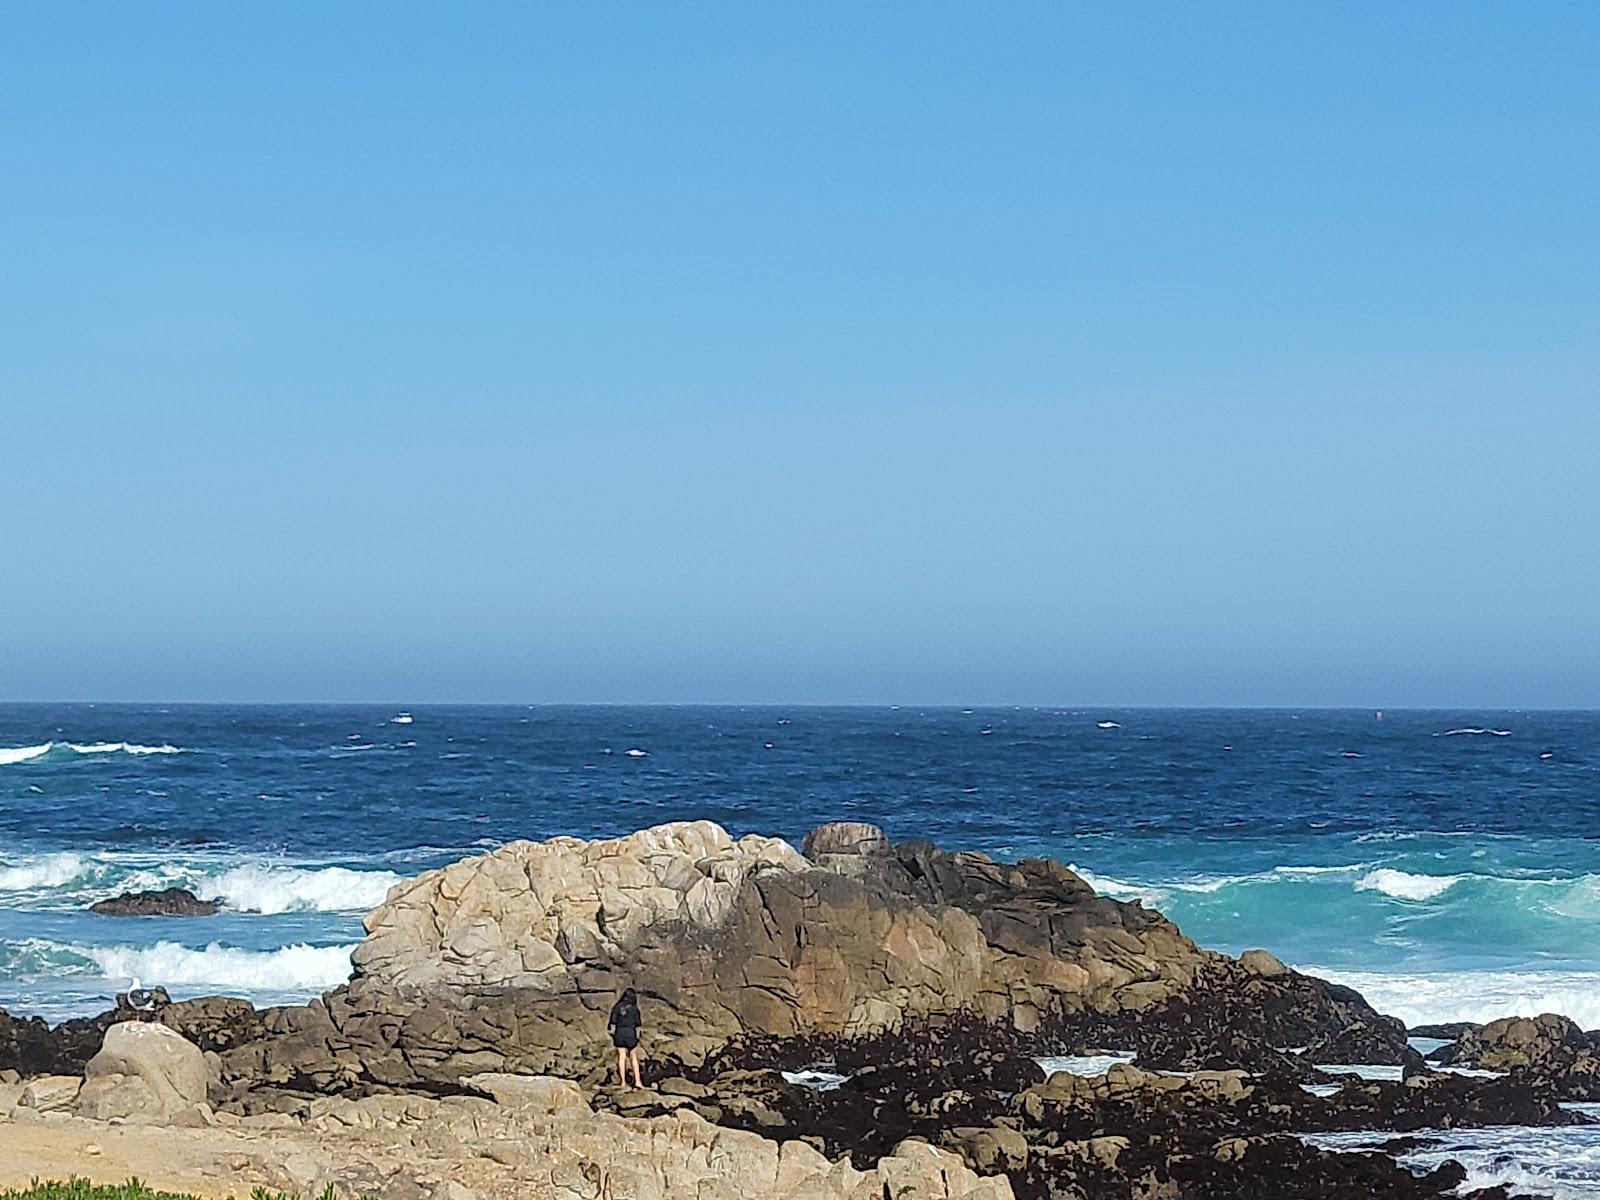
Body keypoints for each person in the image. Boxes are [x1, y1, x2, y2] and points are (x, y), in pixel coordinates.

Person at [608, 987, 644, 1087]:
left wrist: (613, 1034)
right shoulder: (634, 1008)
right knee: (633, 1057)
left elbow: (612, 1023)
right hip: (630, 1034)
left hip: (619, 1033)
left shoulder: (617, 1007)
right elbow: (638, 1024)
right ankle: (638, 1081)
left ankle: (623, 1082)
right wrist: (638, 1037)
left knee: (621, 1057)